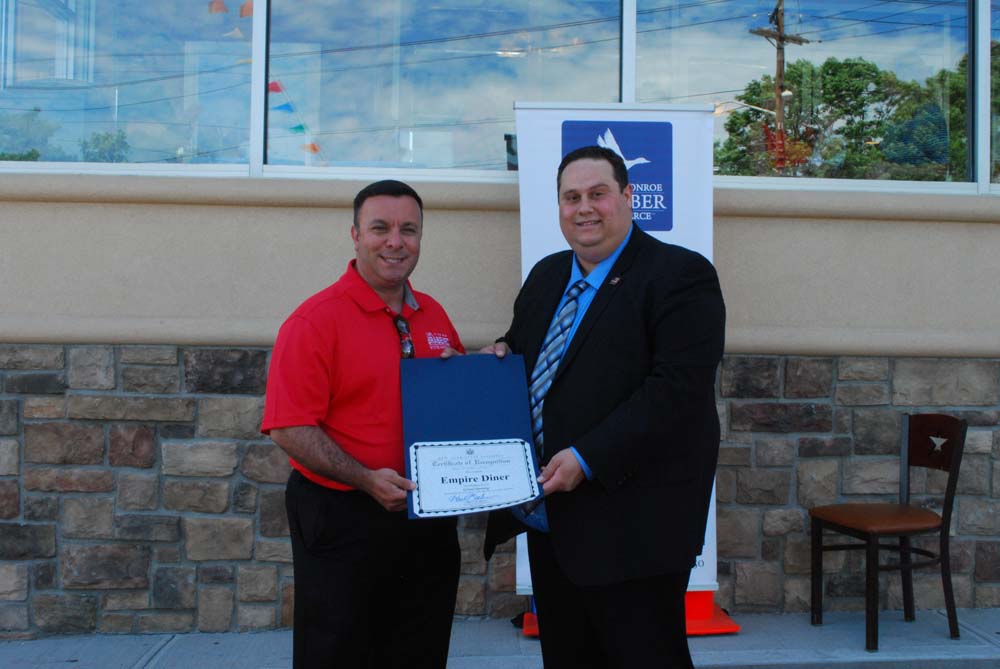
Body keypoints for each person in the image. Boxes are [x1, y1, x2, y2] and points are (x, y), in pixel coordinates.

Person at [483, 146, 726, 668]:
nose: (584, 208)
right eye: (571, 197)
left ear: (628, 196)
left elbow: (677, 390)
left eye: (598, 194)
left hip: (635, 529)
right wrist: (495, 359)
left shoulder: (680, 275)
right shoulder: (547, 275)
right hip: (553, 521)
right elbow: (527, 353)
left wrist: (587, 457)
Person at [261, 180, 464, 669]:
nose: (395, 241)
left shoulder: (432, 314)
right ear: (355, 235)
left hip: (425, 517)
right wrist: (366, 478)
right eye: (380, 228)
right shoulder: (314, 321)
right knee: (339, 651)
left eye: (408, 229)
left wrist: (479, 373)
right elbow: (289, 427)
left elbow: (454, 400)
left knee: (420, 646)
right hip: (343, 514)